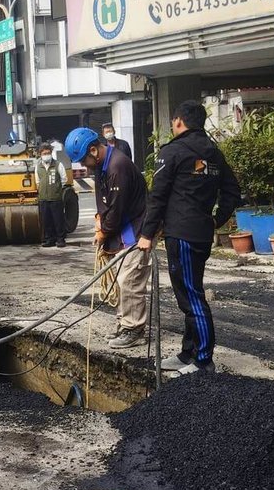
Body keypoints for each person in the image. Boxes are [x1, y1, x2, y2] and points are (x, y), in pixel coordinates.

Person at [137, 100, 241, 375]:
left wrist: (147, 234)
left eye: (173, 122)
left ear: (179, 122)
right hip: (202, 234)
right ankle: (188, 353)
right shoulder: (214, 154)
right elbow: (233, 192)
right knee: (191, 290)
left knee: (191, 297)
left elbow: (157, 197)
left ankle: (204, 360)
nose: (172, 126)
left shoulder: (171, 152)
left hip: (181, 234)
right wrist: (217, 220)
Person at [65, 128, 150, 348]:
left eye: (84, 160)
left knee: (128, 281)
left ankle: (134, 330)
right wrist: (98, 224)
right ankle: (124, 325)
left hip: (133, 232)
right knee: (117, 282)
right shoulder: (102, 167)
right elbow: (104, 204)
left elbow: (116, 210)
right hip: (119, 234)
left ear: (93, 150)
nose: (83, 166)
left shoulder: (117, 166)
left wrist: (103, 231)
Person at [34, 142, 67, 248]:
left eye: (48, 152)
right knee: (46, 220)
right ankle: (49, 240)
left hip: (56, 198)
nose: (46, 155)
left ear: (51, 153)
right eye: (44, 153)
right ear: (40, 154)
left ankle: (60, 239)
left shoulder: (58, 165)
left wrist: (57, 190)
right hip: (43, 199)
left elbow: (64, 180)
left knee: (58, 220)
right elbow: (37, 181)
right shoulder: (38, 167)